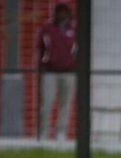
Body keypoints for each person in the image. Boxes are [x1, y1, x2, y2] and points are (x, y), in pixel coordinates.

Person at [37, 3, 77, 141]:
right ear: (55, 12)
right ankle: (43, 133)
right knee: (47, 102)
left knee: (65, 103)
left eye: (65, 11)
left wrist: (75, 65)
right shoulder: (47, 28)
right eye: (60, 11)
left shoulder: (74, 29)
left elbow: (79, 49)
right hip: (50, 72)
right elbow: (40, 48)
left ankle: (61, 133)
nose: (62, 14)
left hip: (70, 72)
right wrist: (43, 65)